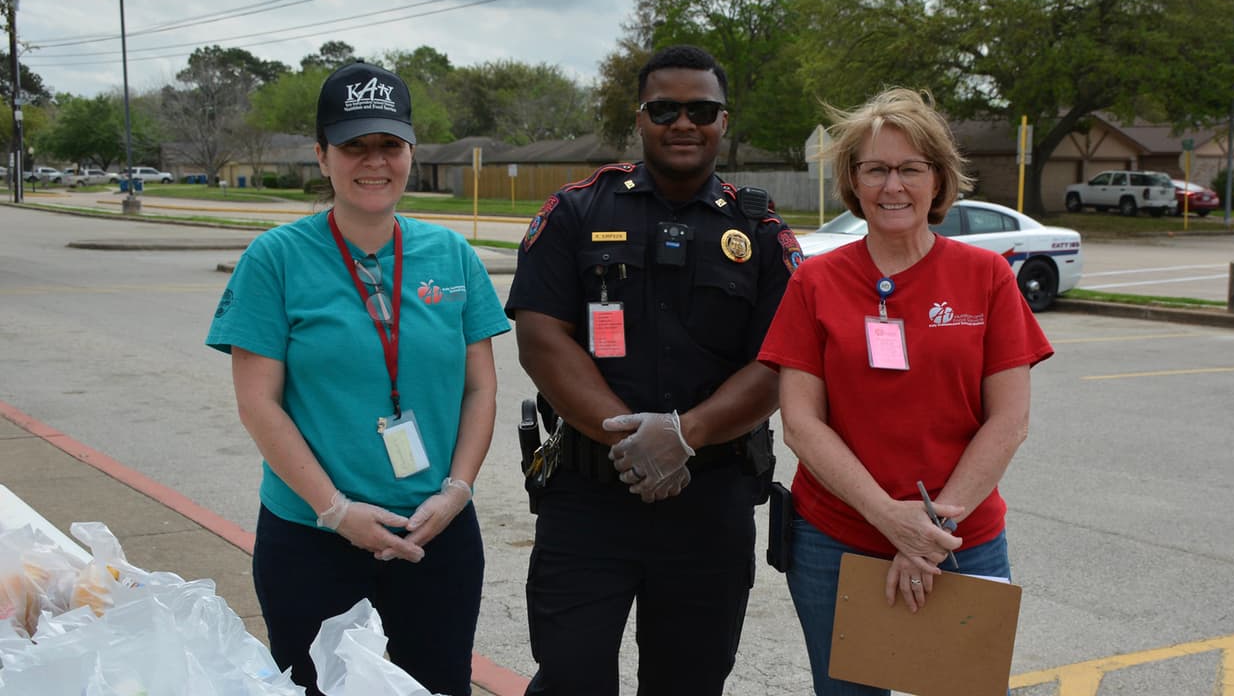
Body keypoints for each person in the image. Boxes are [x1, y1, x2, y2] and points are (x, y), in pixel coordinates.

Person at [504, 44, 804, 695]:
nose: (683, 123)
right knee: (571, 678)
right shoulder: (576, 211)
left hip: (710, 504)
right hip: (589, 499)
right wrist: (632, 441)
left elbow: (782, 358)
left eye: (701, 109)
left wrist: (685, 435)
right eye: (665, 108)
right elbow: (540, 336)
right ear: (639, 118)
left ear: (725, 121)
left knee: (688, 685)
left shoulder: (760, 232)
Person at [205, 61, 510, 696]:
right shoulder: (275, 259)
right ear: (321, 156)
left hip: (437, 533)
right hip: (312, 537)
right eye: (354, 145)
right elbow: (259, 402)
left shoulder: (452, 255)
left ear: (410, 154)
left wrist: (456, 492)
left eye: (389, 145)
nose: (374, 162)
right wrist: (335, 509)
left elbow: (481, 387)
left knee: (436, 685)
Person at [757, 87, 1054, 695]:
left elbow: (1009, 421)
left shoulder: (987, 277)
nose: (893, 186)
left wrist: (926, 534)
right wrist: (889, 520)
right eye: (876, 170)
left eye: (910, 169)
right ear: (854, 182)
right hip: (835, 540)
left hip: (961, 539)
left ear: (938, 180)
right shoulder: (815, 281)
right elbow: (802, 423)